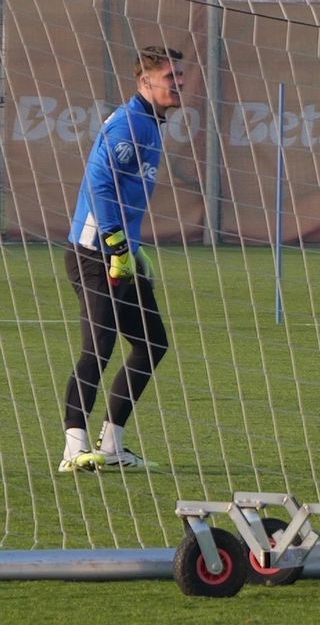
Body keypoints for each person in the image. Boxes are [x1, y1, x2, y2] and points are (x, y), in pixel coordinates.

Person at [59, 46, 184, 472]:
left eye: (180, 75)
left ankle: (112, 444)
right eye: (171, 76)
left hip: (122, 254)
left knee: (152, 344)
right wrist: (115, 244)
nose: (180, 82)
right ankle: (73, 448)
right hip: (94, 254)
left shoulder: (150, 125)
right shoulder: (130, 124)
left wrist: (133, 249)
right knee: (99, 346)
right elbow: (99, 183)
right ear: (144, 81)